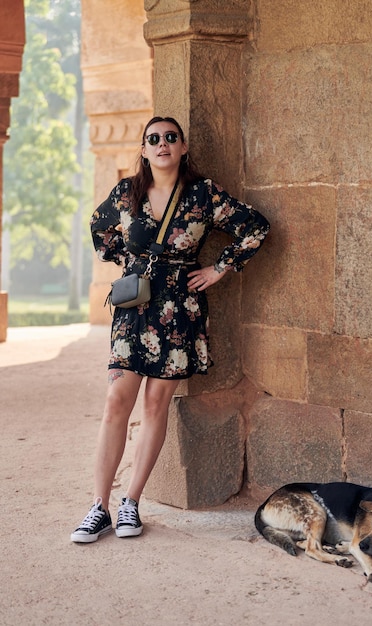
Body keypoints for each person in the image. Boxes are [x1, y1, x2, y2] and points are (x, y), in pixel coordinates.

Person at [70, 116, 270, 543]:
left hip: (180, 308)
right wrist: (126, 261)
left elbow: (255, 226)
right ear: (143, 150)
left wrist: (218, 270)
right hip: (135, 308)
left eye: (170, 138)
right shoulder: (127, 191)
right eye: (153, 139)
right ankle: (98, 506)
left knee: (157, 404)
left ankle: (131, 503)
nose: (162, 144)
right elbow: (98, 226)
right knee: (115, 400)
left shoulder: (203, 194)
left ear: (182, 147)